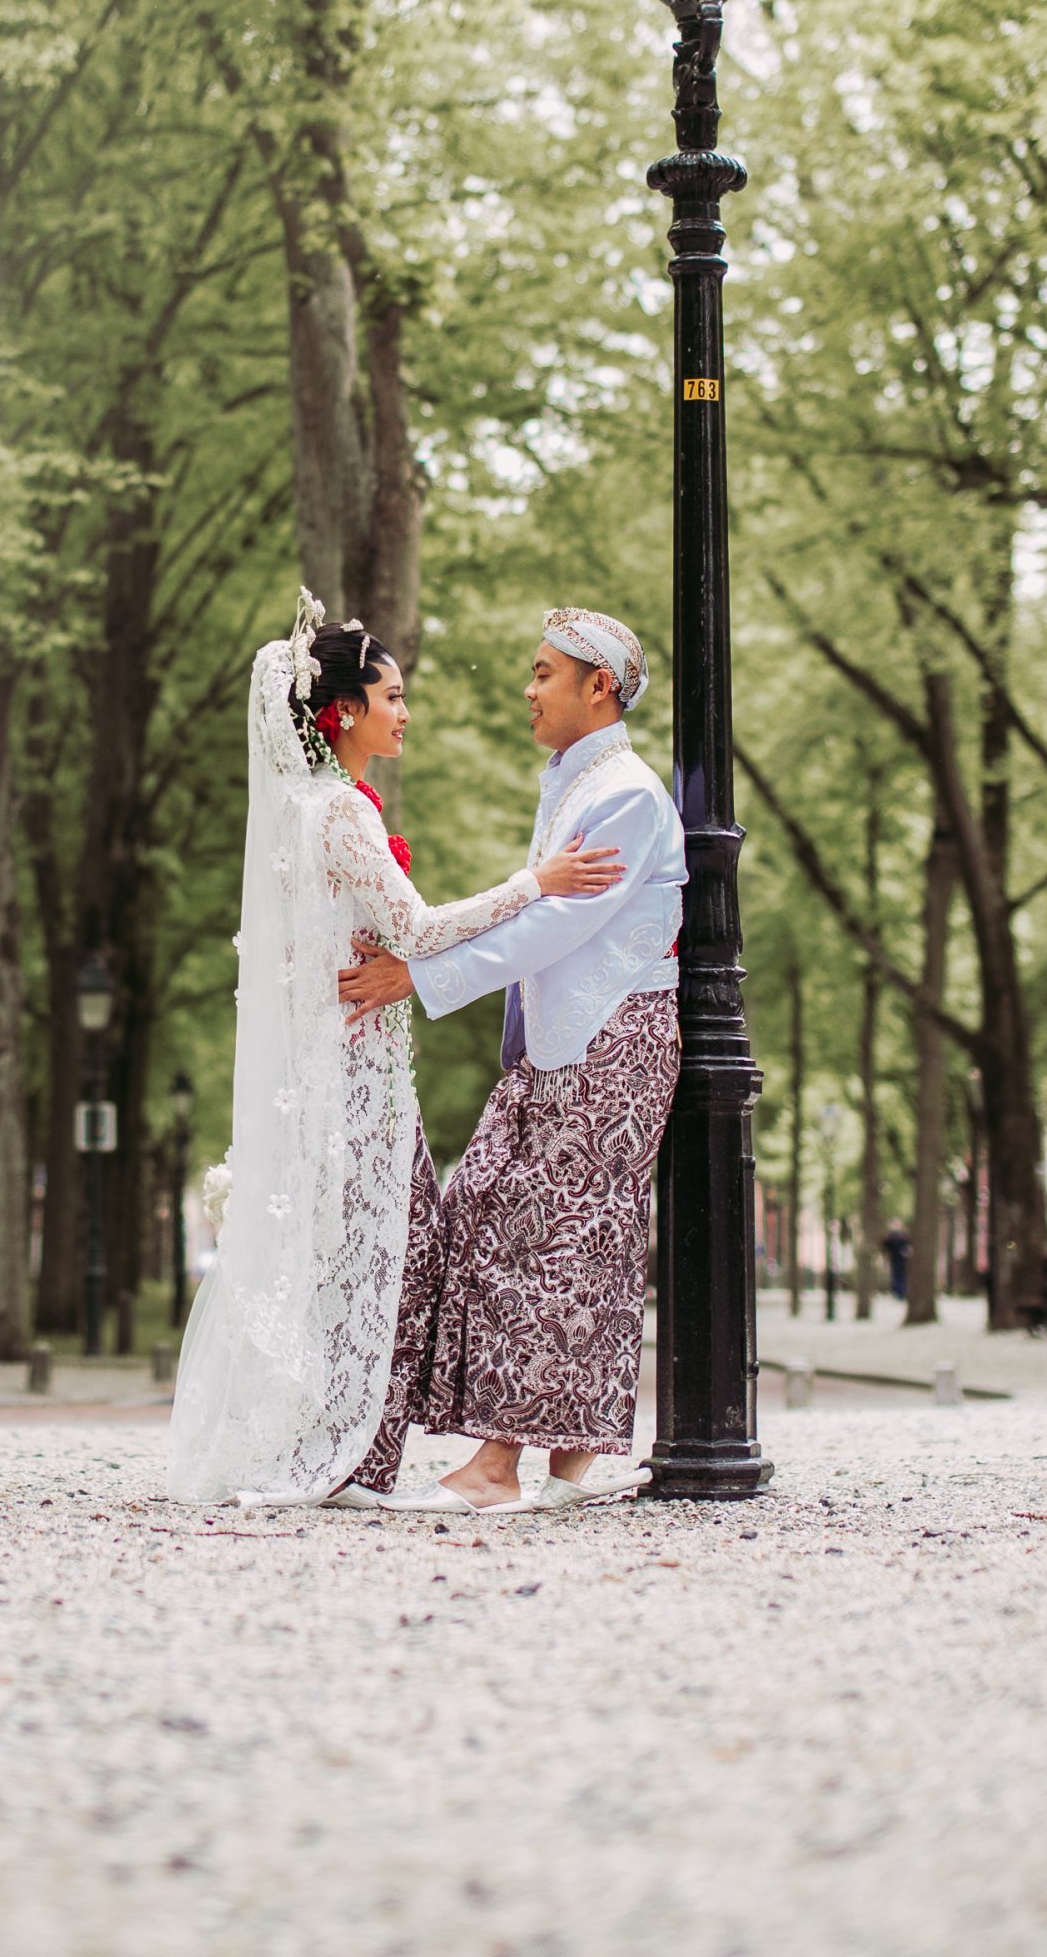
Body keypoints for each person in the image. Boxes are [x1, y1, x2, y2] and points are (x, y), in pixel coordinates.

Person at [165, 593, 621, 1509]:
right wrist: (537, 882)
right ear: (345, 711)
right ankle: (344, 1457)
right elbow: (414, 929)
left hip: (338, 1068)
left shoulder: (303, 809)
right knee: (401, 1259)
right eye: (393, 697)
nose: (405, 713)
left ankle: (342, 1449)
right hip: (356, 1081)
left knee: (367, 1258)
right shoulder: (340, 811)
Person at [339, 607, 685, 1512]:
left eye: (542, 673)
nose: (527, 690)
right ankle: (568, 1463)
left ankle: (497, 1467)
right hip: (570, 1046)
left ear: (598, 687)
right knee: (540, 1228)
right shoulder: (579, 783)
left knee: (547, 1241)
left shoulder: (626, 794)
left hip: (609, 1042)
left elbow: (552, 927)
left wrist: (416, 977)